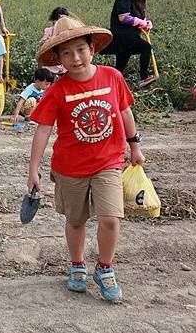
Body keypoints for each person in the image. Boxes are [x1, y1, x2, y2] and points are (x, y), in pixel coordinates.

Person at [28, 16, 145, 302]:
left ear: (92, 48)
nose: (75, 57)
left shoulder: (112, 77)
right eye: (66, 53)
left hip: (109, 162)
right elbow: (43, 130)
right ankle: (77, 265)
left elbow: (125, 112)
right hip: (70, 167)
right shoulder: (57, 90)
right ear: (58, 59)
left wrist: (135, 146)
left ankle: (105, 268)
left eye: (80, 49)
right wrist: (33, 170)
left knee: (110, 219)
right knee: (76, 220)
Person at [101, 0, 156, 88]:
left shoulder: (138, 1)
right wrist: (140, 22)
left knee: (120, 67)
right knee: (146, 47)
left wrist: (146, 23)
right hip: (122, 37)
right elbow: (124, 18)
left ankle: (109, 85)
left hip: (130, 37)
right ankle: (144, 77)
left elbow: (140, 18)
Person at [39, 7, 70, 76]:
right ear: (53, 20)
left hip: (64, 67)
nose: (59, 22)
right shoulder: (49, 30)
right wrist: (44, 42)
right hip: (51, 66)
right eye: (57, 20)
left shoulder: (69, 32)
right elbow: (42, 42)